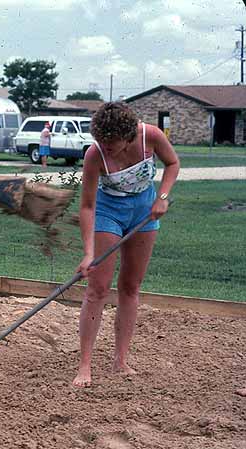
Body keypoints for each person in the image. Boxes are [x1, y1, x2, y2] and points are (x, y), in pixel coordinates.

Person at [72, 102, 179, 387]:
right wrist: (88, 252)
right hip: (109, 212)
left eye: (111, 142)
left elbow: (172, 163)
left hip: (144, 210)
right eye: (101, 141)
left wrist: (163, 197)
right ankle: (85, 366)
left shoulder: (151, 136)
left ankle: (120, 360)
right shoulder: (95, 155)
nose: (105, 147)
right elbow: (87, 206)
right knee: (98, 287)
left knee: (130, 286)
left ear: (128, 136)